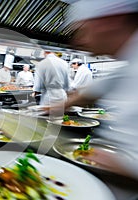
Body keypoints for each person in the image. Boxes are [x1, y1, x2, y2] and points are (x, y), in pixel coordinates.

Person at [59, 0, 138, 179]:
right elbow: (103, 85)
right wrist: (64, 103)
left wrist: (119, 164)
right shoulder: (130, 59)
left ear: (110, 22)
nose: (77, 41)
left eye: (82, 31)